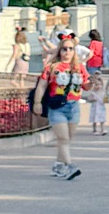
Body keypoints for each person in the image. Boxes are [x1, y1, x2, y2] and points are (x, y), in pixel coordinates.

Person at [34, 30, 87, 181]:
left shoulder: (79, 67)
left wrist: (92, 84)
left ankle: (58, 165)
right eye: (65, 49)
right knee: (63, 138)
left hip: (74, 105)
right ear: (59, 50)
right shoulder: (52, 67)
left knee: (68, 138)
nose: (68, 52)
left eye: (71, 49)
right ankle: (70, 166)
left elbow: (85, 84)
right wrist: (37, 103)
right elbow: (42, 86)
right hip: (57, 106)